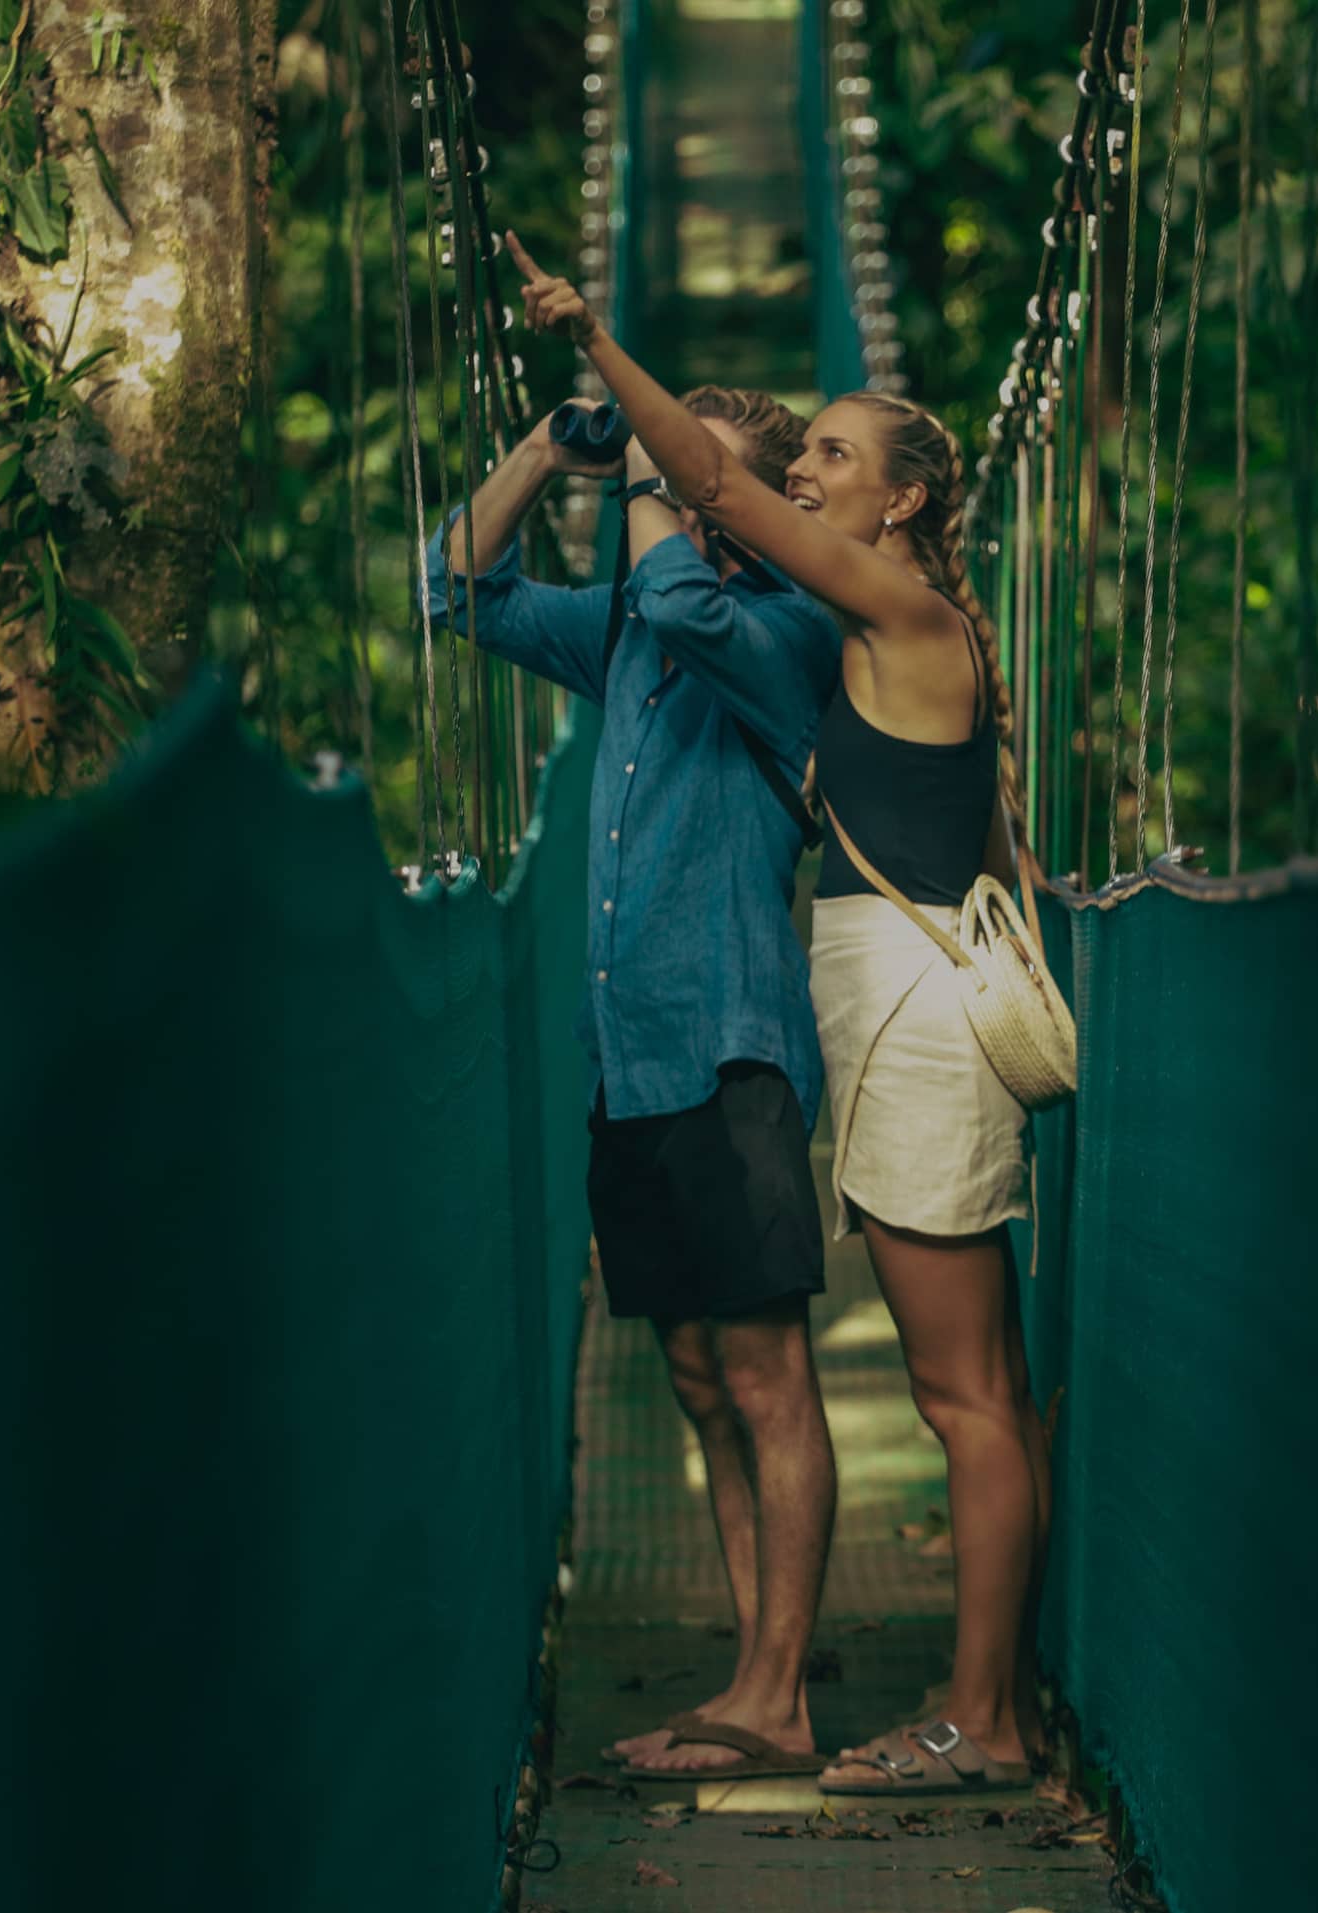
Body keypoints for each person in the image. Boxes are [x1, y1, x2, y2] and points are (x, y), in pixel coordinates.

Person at [507, 232, 1054, 1797]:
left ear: (903, 501)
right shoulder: (897, 630)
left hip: (913, 1011)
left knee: (959, 1396)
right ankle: (984, 1707)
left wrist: (603, 346)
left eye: (831, 452)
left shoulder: (896, 605)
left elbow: (716, 496)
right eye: (800, 448)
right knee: (985, 1390)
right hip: (902, 1003)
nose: (801, 469)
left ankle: (981, 1723)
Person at [423, 385, 841, 1779]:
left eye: (692, 473)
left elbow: (684, 595)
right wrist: (551, 447)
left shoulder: (785, 634)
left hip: (729, 1049)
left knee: (768, 1374)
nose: (663, 488)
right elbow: (453, 590)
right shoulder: (624, 636)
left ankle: (777, 1693)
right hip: (633, 1056)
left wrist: (670, 475)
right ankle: (749, 1676)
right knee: (693, 1370)